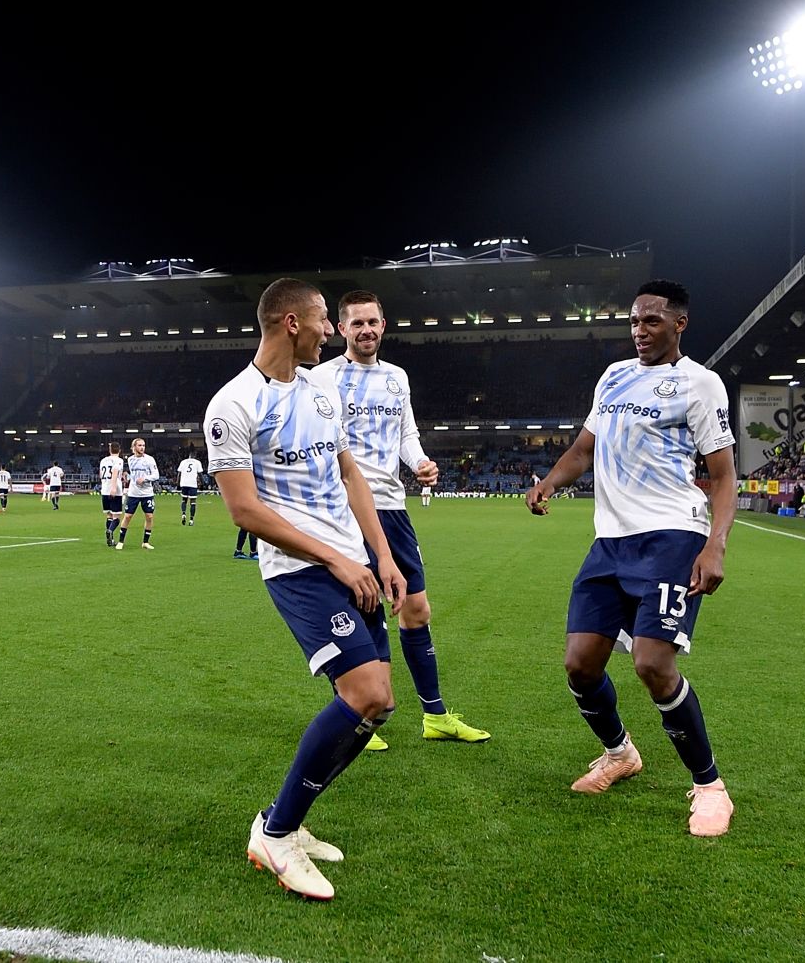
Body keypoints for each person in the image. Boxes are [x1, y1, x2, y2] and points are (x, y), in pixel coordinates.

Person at [205, 278, 406, 901]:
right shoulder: (233, 405)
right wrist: (336, 561)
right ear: (292, 323)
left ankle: (280, 820)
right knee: (366, 693)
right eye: (324, 321)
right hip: (299, 569)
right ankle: (279, 832)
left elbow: (350, 473)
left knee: (379, 706)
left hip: (354, 562)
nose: (332, 332)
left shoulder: (323, 389)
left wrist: (381, 553)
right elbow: (244, 511)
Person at [525, 280, 738, 838]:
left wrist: (715, 544)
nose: (639, 331)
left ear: (679, 325)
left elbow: (722, 475)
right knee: (580, 663)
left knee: (652, 664)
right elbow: (582, 450)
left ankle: (710, 787)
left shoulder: (700, 383)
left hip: (672, 536)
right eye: (635, 321)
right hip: (610, 542)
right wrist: (549, 482)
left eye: (652, 322)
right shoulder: (614, 377)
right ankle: (620, 753)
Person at [311, 289, 489, 747]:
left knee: (416, 609)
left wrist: (421, 462)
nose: (366, 330)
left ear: (383, 325)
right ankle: (358, 709)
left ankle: (434, 715)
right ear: (342, 328)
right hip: (347, 509)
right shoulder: (322, 377)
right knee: (363, 606)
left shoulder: (396, 377)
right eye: (357, 323)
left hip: (393, 507)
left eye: (373, 322)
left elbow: (405, 432)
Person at [120, 437, 159, 550]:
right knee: (127, 516)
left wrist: (145, 478)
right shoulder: (130, 459)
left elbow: (156, 475)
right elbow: (132, 473)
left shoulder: (150, 460)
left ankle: (145, 542)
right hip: (133, 493)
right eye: (140, 445)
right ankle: (121, 541)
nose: (142, 447)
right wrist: (126, 476)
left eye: (143, 445)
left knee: (149, 516)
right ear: (134, 447)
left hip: (147, 493)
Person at [99, 442, 126, 547]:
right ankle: (110, 531)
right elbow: (115, 472)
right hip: (115, 491)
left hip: (104, 489)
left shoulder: (103, 460)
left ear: (109, 450)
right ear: (119, 450)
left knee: (109, 514)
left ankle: (110, 539)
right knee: (117, 516)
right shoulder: (119, 460)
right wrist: (114, 487)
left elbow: (101, 475)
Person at [177, 453, 204, 525]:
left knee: (184, 500)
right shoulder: (197, 462)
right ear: (195, 456)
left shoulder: (183, 462)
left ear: (189, 456)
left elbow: (179, 473)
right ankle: (191, 520)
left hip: (184, 483)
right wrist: (202, 484)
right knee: (193, 502)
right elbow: (200, 474)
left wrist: (178, 484)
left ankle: (183, 514)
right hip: (192, 484)